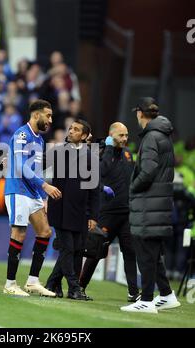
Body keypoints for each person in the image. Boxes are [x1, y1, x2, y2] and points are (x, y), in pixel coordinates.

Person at [121, 97, 181, 313]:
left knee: (146, 254)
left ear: (139, 113)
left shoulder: (150, 137)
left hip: (148, 204)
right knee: (153, 254)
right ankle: (166, 294)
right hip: (158, 203)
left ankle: (146, 300)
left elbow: (148, 171)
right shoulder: (162, 135)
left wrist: (132, 187)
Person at [3, 99, 62, 297]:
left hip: (33, 192)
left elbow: (35, 168)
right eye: (48, 115)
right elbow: (20, 165)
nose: (50, 120)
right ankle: (10, 283)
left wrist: (42, 194)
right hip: (18, 190)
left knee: (44, 232)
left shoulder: (39, 140)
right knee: (19, 233)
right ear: (36, 115)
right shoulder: (21, 134)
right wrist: (44, 185)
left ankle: (32, 281)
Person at [79, 122, 140, 302]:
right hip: (107, 212)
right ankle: (80, 287)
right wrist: (108, 149)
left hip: (126, 213)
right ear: (111, 135)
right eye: (121, 135)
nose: (125, 139)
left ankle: (133, 292)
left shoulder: (128, 154)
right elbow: (99, 172)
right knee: (96, 250)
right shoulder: (102, 152)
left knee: (130, 251)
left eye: (126, 135)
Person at [44, 120, 100, 300]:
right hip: (60, 209)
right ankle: (74, 288)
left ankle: (53, 284)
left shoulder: (91, 157)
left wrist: (93, 215)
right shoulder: (59, 151)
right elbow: (37, 165)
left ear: (84, 136)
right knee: (68, 249)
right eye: (70, 128)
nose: (71, 131)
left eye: (76, 130)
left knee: (76, 250)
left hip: (80, 211)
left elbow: (94, 189)